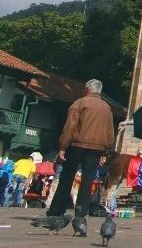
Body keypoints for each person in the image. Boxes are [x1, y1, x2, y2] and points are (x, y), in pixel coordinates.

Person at [48, 79, 116, 218]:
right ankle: (81, 211)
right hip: (97, 148)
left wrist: (63, 146)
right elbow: (110, 131)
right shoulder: (107, 108)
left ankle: (57, 209)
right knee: (88, 179)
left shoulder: (79, 103)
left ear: (87, 89)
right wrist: (106, 152)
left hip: (77, 145)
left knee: (67, 176)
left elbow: (70, 127)